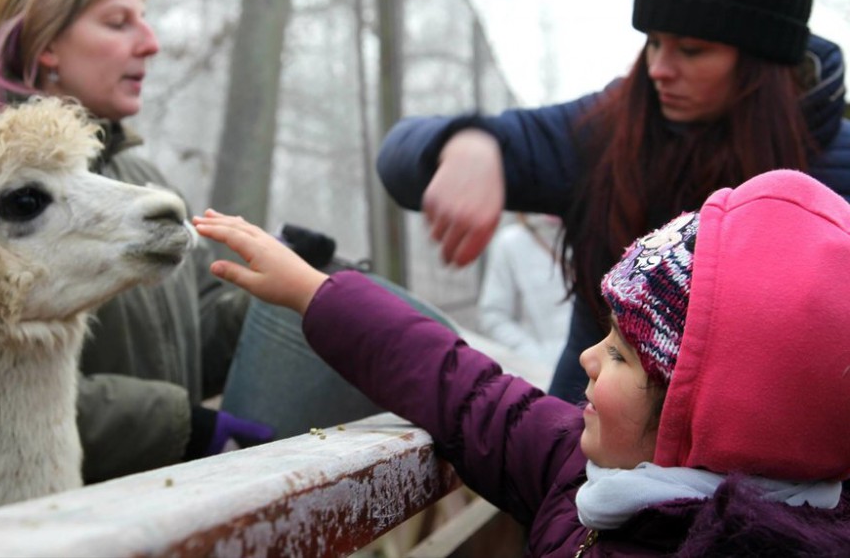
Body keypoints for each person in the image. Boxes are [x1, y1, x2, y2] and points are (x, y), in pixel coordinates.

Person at [194, 169, 850, 555]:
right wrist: (314, 293)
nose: (588, 357)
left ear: (701, 420)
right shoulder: (588, 469)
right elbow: (471, 394)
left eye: (620, 353)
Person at [375, 0, 850, 402]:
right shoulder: (609, 130)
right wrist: (468, 144)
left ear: (764, 61)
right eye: (654, 41)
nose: (659, 69)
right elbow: (398, 158)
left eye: (691, 50)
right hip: (579, 443)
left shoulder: (834, 173)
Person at [0, 0, 272, 482]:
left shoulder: (146, 182)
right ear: (46, 43)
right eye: (118, 23)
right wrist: (175, 428)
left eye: (145, 19)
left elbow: (191, 340)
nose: (151, 43)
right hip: (51, 514)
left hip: (166, 505)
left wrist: (282, 296)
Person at [476, 214, 569, 383]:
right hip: (541, 374)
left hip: (593, 366)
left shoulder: (592, 234)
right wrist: (535, 356)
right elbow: (493, 314)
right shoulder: (510, 242)